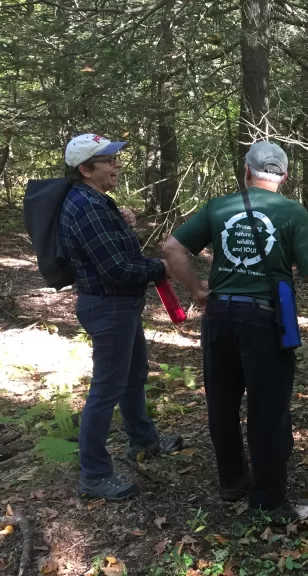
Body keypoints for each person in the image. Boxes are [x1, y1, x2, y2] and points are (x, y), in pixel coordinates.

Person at [163, 141, 308, 522]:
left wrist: (198, 291)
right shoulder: (293, 212)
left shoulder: (218, 206)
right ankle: (268, 502)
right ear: (285, 176)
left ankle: (231, 481)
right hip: (264, 321)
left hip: (219, 317)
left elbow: (173, 248)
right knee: (268, 410)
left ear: (246, 171)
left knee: (222, 405)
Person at [59, 133, 182, 501]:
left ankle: (143, 441)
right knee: (106, 390)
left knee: (133, 376)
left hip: (119, 307)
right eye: (108, 160)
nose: (117, 165)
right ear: (85, 169)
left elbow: (113, 252)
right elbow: (116, 269)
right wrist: (161, 267)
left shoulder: (96, 202)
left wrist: (122, 219)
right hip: (108, 308)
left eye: (115, 158)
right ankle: (94, 474)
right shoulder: (87, 208)